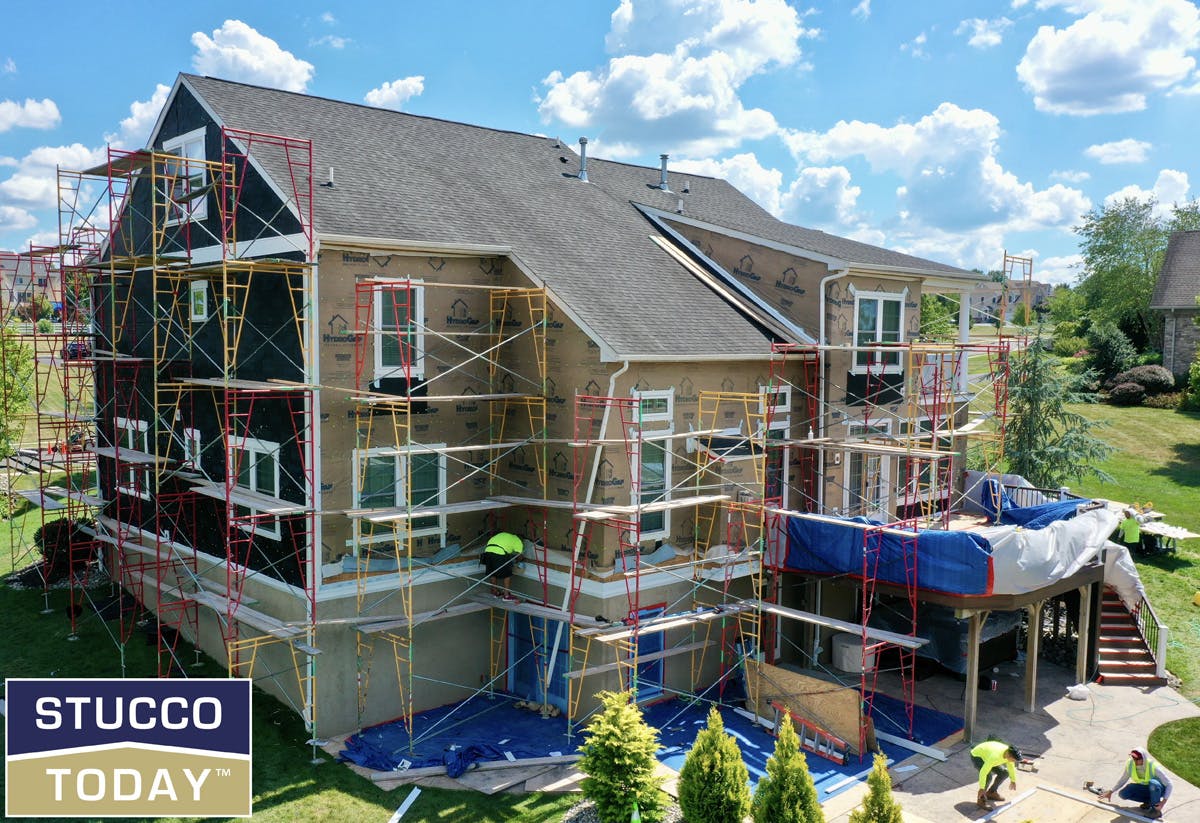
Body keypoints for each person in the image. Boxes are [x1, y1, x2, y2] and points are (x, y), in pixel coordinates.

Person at [1100, 748, 1172, 819]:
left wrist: (1163, 802)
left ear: (1143, 758)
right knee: (1123, 794)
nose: (1135, 761)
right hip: (1144, 788)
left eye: (1137, 759)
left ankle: (1156, 810)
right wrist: (1111, 791)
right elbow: (1123, 779)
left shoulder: (1153, 767)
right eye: (1133, 758)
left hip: (1157, 790)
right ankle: (1149, 802)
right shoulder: (1130, 764)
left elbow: (1169, 784)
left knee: (1153, 783)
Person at [970, 740, 1020, 810]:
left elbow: (1011, 767)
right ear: (1009, 755)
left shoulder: (1009, 755)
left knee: (1004, 773)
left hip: (988, 756)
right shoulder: (995, 756)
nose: (1014, 762)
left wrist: (1013, 780)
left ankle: (991, 792)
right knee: (988, 777)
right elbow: (983, 772)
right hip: (977, 756)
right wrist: (981, 788)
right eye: (1014, 760)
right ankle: (980, 799)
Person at [481, 531, 523, 600]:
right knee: (507, 574)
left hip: (487, 552)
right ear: (521, 539)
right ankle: (506, 596)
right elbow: (519, 556)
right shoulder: (518, 541)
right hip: (500, 552)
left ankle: (495, 592)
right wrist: (517, 562)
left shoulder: (504, 535)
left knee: (492, 573)